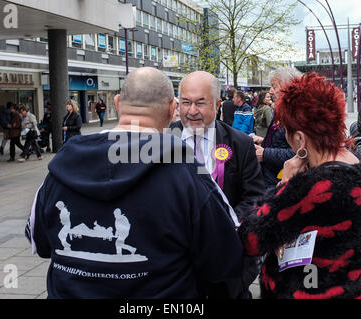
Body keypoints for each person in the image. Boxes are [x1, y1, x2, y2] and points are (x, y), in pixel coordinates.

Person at [25, 67, 243, 298]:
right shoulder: (189, 173)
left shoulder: (59, 170)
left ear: (117, 103)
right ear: (172, 110)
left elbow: (39, 242)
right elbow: (223, 260)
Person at [238, 72, 361, 299]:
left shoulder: (309, 186)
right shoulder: (357, 164)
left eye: (288, 131)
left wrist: (285, 183)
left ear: (300, 139)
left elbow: (250, 237)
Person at [170, 71, 265, 299]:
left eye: (201, 103)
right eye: (186, 103)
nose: (192, 111)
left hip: (227, 270)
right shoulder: (160, 141)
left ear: (217, 103)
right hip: (177, 269)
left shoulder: (240, 144)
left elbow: (255, 197)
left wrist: (228, 223)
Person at [252, 67, 298, 188]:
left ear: (287, 87)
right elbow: (283, 141)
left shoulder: (296, 114)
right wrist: (264, 141)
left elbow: (300, 153)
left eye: (274, 86)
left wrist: (265, 153)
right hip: (272, 177)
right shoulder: (281, 110)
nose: (270, 91)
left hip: (282, 181)